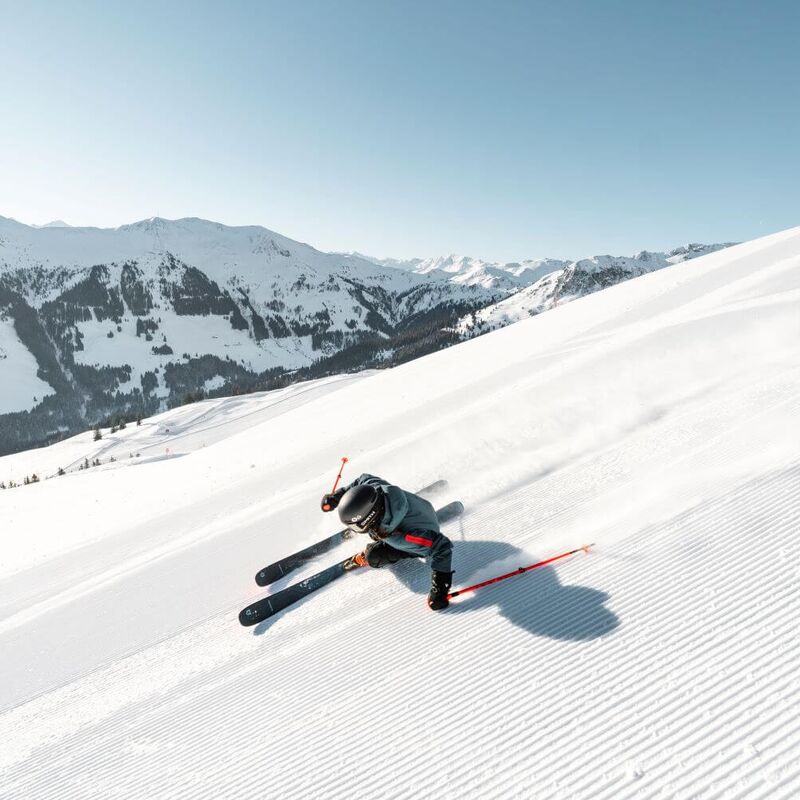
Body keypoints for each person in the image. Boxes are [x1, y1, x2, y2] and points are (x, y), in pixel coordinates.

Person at [321, 473, 454, 610]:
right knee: (379, 534)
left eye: (355, 526)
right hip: (420, 507)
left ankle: (369, 556)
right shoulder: (375, 487)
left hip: (420, 535)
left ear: (369, 518)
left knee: (374, 556)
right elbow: (363, 479)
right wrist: (338, 497)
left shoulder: (400, 537)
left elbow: (441, 547)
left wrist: (440, 589)